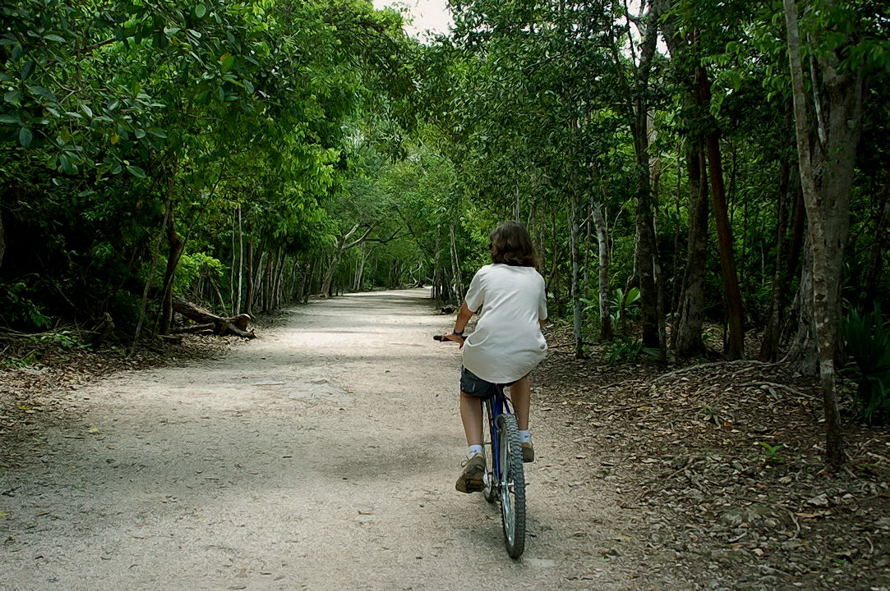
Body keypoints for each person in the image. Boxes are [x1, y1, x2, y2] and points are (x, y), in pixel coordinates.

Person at [443, 221, 548, 493]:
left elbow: (467, 311)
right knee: (521, 375)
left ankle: (476, 454)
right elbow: (541, 319)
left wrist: (457, 333)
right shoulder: (536, 278)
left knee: (470, 393)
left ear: (497, 247)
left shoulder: (486, 274)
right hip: (526, 348)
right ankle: (523, 436)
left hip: (486, 348)